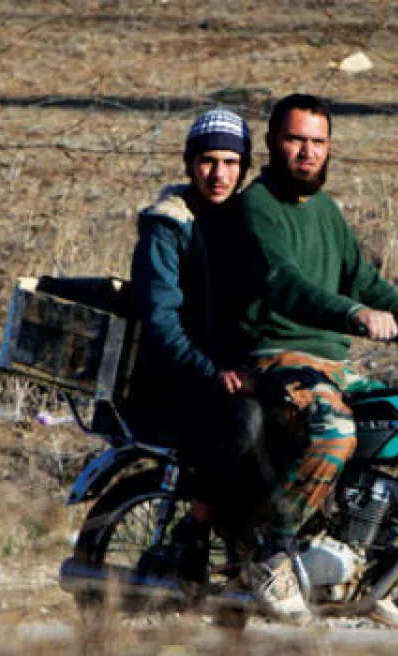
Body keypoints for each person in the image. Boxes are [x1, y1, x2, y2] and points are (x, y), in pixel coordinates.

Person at [213, 93, 398, 620]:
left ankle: (362, 564)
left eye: (318, 142)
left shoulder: (328, 213)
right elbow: (283, 283)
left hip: (337, 366)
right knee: (333, 430)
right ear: (272, 143)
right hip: (278, 359)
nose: (307, 153)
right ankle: (272, 554)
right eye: (296, 140)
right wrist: (355, 315)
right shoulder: (256, 208)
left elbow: (367, 283)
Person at [127, 107, 270, 590]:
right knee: (245, 420)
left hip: (232, 366)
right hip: (178, 376)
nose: (219, 174)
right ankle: (196, 528)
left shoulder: (245, 219)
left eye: (231, 162)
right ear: (190, 163)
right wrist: (212, 370)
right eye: (208, 161)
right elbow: (161, 318)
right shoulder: (168, 224)